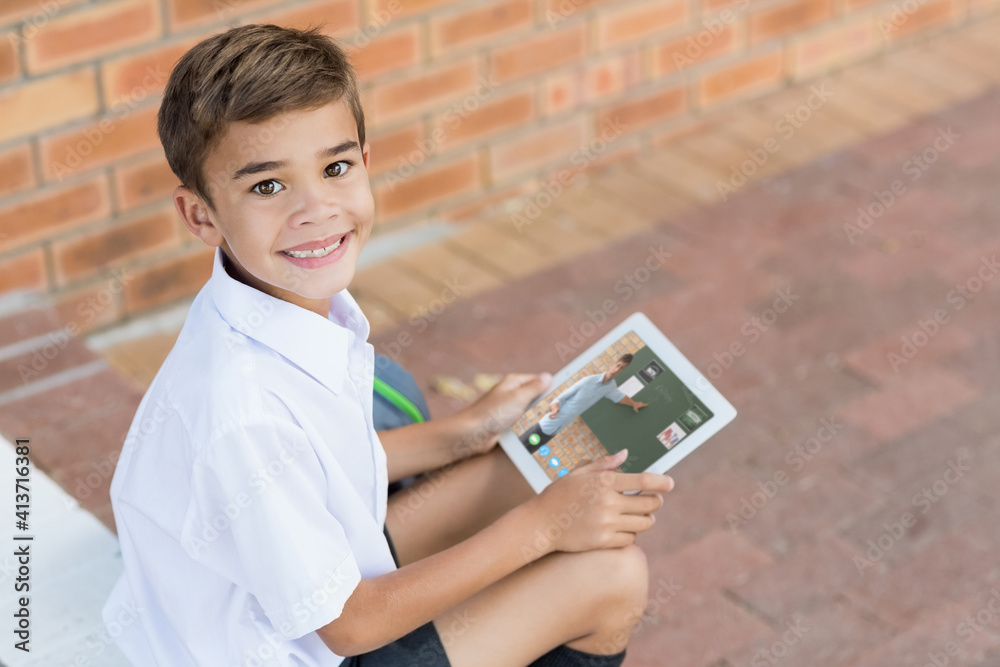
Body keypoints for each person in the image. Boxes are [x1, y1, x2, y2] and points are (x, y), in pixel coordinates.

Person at [101, 23, 674, 667]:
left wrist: (462, 432)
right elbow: (345, 627)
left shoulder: (265, 305)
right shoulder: (240, 409)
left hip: (295, 588)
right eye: (268, 186)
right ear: (201, 214)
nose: (315, 208)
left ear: (365, 162)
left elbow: (313, 464)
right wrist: (542, 530)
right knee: (610, 577)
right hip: (312, 644)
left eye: (335, 167)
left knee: (525, 464)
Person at [520, 355, 648, 454]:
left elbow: (620, 397)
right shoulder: (588, 381)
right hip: (543, 427)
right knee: (517, 449)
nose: (617, 370)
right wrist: (554, 409)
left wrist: (634, 404)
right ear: (612, 365)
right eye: (617, 365)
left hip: (554, 432)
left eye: (621, 368)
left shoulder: (611, 387)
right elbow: (558, 399)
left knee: (527, 454)